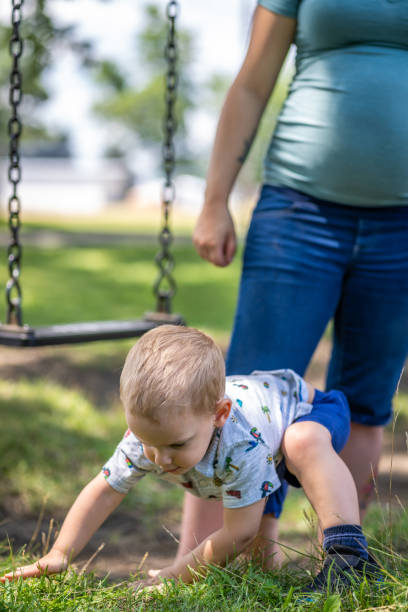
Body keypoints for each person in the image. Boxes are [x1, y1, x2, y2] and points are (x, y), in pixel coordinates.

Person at [190, 0, 408, 565]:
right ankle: (221, 562)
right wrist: (214, 201)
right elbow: (251, 85)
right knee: (244, 393)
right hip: (300, 211)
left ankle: (337, 560)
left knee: (365, 398)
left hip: (402, 228)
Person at [0, 326, 380, 592]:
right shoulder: (149, 436)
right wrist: (60, 553)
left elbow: (236, 531)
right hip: (265, 442)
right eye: (150, 442)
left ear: (219, 414)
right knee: (258, 564)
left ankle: (347, 554)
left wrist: (173, 575)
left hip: (304, 412)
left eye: (176, 446)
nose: (161, 459)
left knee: (301, 442)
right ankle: (280, 575)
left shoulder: (239, 443)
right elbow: (104, 489)